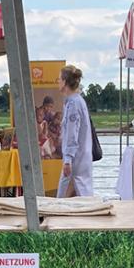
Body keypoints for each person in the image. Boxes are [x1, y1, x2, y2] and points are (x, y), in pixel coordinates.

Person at [57, 64, 93, 197]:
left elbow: (72, 134)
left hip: (75, 159)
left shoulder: (72, 104)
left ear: (65, 82)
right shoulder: (79, 101)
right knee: (83, 192)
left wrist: (67, 160)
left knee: (63, 198)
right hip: (83, 156)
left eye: (59, 79)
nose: (58, 82)